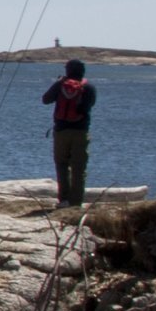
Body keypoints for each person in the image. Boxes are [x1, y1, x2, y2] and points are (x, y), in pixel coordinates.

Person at [43, 60, 98, 207]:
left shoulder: (61, 85)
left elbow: (45, 99)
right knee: (79, 168)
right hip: (80, 131)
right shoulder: (89, 87)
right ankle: (76, 202)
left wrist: (58, 83)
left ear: (67, 71)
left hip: (61, 131)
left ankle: (63, 199)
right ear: (83, 71)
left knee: (61, 165)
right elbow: (89, 106)